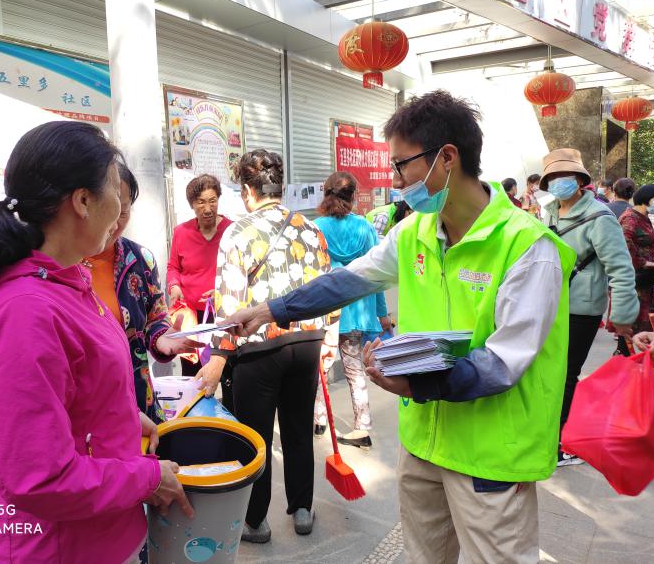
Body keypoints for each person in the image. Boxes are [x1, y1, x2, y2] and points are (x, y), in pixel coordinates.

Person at [222, 90, 576, 564]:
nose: (395, 180)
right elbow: (349, 280)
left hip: (490, 456)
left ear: (446, 158)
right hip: (424, 444)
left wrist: (416, 384)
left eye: (401, 165)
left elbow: (502, 364)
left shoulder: (528, 248)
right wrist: (270, 310)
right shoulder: (415, 232)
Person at [0, 121, 192, 562]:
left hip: (98, 536)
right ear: (82, 201)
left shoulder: (67, 279)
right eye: (115, 190)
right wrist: (149, 478)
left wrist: (120, 416)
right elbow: (40, 478)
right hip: (59, 548)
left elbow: (77, 385)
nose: (121, 210)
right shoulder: (25, 310)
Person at [0, 166, 202, 434]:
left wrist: (162, 337)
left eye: (125, 211)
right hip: (80, 421)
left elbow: (155, 316)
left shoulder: (140, 260)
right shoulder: (49, 264)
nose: (116, 223)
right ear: (81, 203)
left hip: (137, 408)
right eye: (112, 208)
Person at [194, 149, 339, 543]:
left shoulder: (238, 232)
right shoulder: (311, 230)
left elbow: (229, 304)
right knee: (298, 429)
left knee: (255, 435)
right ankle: (303, 508)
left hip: (258, 350)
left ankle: (256, 521)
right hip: (306, 343)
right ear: (281, 186)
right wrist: (329, 339)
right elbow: (328, 289)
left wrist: (218, 357)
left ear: (247, 191)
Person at [539, 149, 638, 466]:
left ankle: (560, 443)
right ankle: (547, 434)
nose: (559, 182)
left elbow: (621, 270)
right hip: (549, 303)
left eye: (565, 176)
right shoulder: (548, 211)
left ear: (581, 180)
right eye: (553, 177)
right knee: (548, 373)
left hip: (581, 308)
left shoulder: (600, 217)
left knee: (567, 374)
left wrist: (622, 316)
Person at [313, 172, 392, 450]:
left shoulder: (316, 228)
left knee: (320, 368)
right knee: (355, 369)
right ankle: (363, 427)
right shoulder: (365, 228)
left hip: (327, 310)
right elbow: (377, 274)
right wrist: (382, 313)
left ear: (326, 194)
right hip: (359, 310)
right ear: (353, 196)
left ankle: (320, 420)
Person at [167, 174, 233, 376]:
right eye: (201, 202)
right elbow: (173, 267)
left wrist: (223, 291)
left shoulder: (232, 230)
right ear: (192, 205)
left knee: (226, 370)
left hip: (224, 314)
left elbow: (242, 272)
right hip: (191, 317)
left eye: (212, 201)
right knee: (192, 373)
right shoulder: (181, 232)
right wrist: (174, 286)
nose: (208, 209)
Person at [616, 184, 654, 349]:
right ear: (646, 198)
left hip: (645, 279)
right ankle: (624, 355)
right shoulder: (631, 217)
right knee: (631, 322)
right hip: (635, 278)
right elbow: (623, 242)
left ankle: (629, 355)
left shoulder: (644, 217)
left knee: (642, 323)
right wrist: (643, 262)